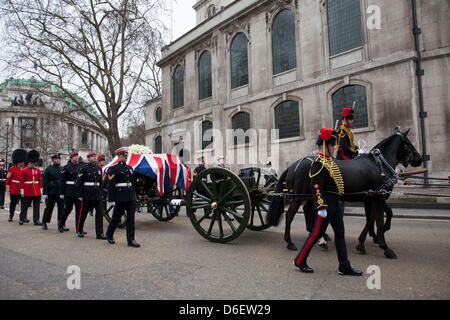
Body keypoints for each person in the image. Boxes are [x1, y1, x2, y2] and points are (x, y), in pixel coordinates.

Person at [293, 128, 363, 276]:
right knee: (316, 233)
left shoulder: (329, 162)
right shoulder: (319, 163)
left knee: (340, 234)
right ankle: (300, 260)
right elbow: (316, 186)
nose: (334, 148)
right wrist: (320, 206)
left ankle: (344, 266)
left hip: (335, 203)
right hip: (326, 205)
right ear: (326, 145)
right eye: (332, 145)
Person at [105, 147, 140, 247]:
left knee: (131, 219)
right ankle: (109, 234)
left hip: (130, 197)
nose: (126, 157)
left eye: (126, 156)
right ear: (119, 156)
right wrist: (111, 199)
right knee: (116, 218)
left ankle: (131, 240)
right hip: (120, 197)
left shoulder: (130, 168)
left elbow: (133, 183)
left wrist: (134, 195)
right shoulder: (113, 169)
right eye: (124, 156)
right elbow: (111, 185)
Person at [75, 152, 106, 239]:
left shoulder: (99, 168)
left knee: (100, 214)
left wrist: (101, 193)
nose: (94, 158)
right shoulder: (84, 168)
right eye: (91, 157)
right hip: (87, 194)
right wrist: (80, 195)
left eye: (94, 156)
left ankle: (99, 233)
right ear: (88, 158)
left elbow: (100, 182)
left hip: (97, 194)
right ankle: (80, 230)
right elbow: (79, 182)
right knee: (83, 213)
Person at [58, 151, 82, 233]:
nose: (76, 157)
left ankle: (79, 228)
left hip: (77, 191)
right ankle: (61, 224)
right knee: (68, 209)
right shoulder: (66, 168)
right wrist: (61, 193)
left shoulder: (80, 167)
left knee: (79, 210)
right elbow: (62, 181)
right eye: (75, 156)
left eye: (77, 156)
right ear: (71, 158)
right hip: (69, 191)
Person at [19, 150, 42, 226]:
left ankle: (36, 220)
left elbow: (39, 181)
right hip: (27, 191)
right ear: (28, 162)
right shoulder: (24, 171)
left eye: (33, 163)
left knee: (36, 207)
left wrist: (40, 190)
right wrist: (22, 191)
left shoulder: (38, 171)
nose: (32, 164)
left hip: (36, 191)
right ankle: (21, 219)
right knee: (24, 206)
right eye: (31, 163)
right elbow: (21, 182)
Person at [41, 154, 64, 230]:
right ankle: (44, 222)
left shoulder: (62, 169)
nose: (58, 160)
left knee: (61, 209)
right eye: (56, 159)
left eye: (59, 159)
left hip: (60, 192)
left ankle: (60, 224)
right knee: (49, 208)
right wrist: (45, 193)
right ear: (53, 160)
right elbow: (44, 181)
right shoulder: (48, 169)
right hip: (51, 192)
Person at [6, 149, 27, 222]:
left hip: (23, 189)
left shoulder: (25, 169)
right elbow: (8, 179)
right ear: (17, 162)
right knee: (13, 203)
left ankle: (23, 217)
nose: (22, 163)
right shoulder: (12, 169)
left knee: (24, 204)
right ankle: (11, 215)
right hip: (14, 188)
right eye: (21, 162)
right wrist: (8, 189)